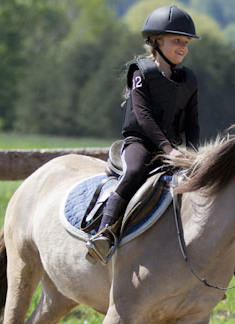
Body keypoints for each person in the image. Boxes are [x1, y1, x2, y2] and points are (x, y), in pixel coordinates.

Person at [86, 5, 201, 264]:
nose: (183, 46)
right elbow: (143, 116)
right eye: (176, 41)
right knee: (135, 171)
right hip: (141, 143)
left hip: (172, 149)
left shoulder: (189, 80)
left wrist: (194, 155)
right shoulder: (141, 73)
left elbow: (193, 122)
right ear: (156, 41)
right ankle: (103, 234)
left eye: (186, 42)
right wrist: (167, 149)